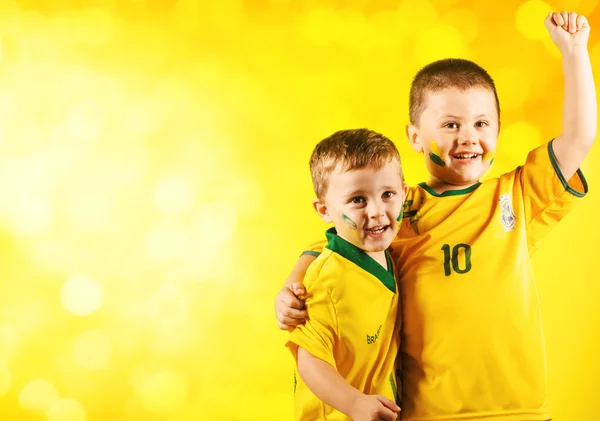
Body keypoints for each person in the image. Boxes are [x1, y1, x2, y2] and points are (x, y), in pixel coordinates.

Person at [276, 11, 595, 421]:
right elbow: (333, 239)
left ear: (498, 130)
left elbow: (579, 137)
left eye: (482, 123)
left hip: (521, 412)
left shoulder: (516, 196)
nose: (468, 136)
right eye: (450, 124)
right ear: (414, 136)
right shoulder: (395, 207)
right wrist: (295, 281)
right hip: (428, 413)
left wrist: (573, 51)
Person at [287, 128, 407, 421]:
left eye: (387, 194)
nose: (377, 211)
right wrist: (354, 403)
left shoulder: (390, 251)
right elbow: (310, 359)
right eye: (358, 200)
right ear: (325, 209)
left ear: (404, 194)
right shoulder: (325, 283)